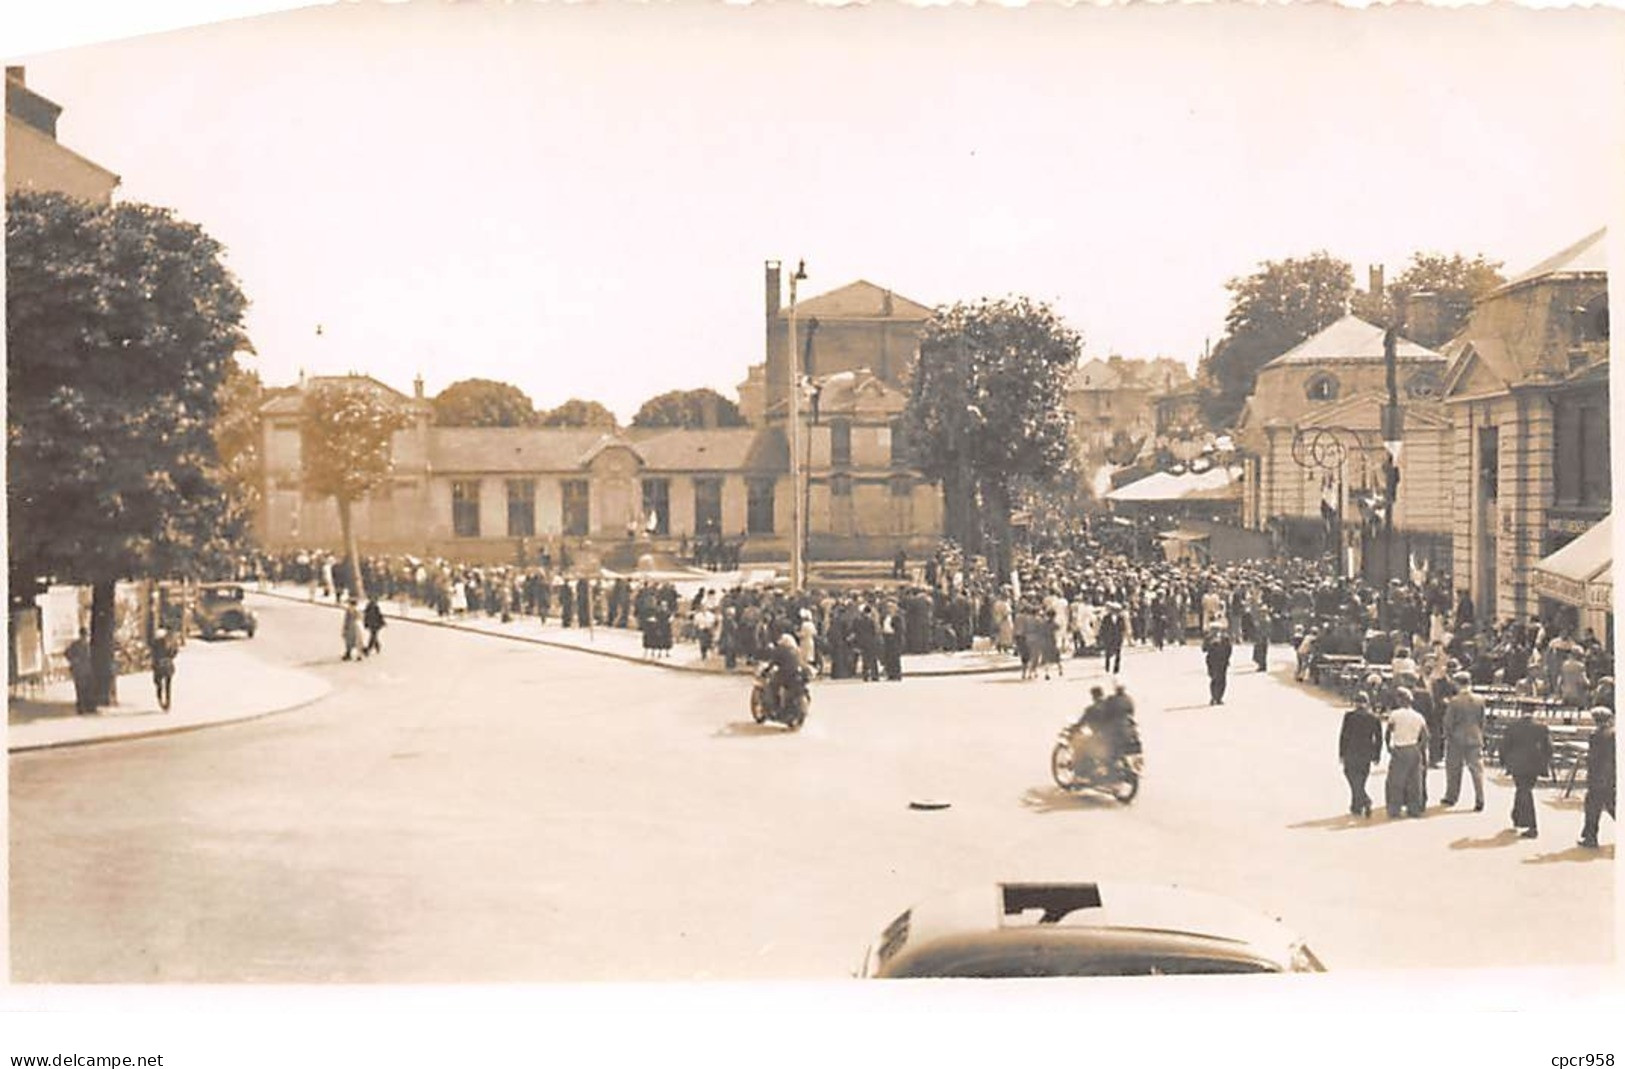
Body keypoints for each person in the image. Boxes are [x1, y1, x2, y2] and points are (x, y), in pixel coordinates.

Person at [1500, 710, 1553, 839]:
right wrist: (1544, 762)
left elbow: (1504, 747)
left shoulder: (1512, 727)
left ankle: (1532, 825)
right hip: (1534, 764)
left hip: (1517, 763)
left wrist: (1504, 762)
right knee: (1524, 790)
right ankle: (1517, 816)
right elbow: (1549, 748)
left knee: (1523, 791)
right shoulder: (1541, 727)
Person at [1439, 670, 1486, 811]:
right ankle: (1480, 798)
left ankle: (1452, 796)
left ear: (1457, 684)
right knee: (1477, 770)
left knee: (1454, 769)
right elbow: (1482, 719)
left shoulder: (1455, 701)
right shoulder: (1480, 699)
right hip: (1475, 736)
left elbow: (1448, 722)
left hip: (1456, 738)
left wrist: (1446, 735)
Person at [1384, 687, 1429, 818]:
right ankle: (1414, 808)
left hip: (1399, 748)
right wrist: (1419, 747)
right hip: (1413, 748)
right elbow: (1425, 735)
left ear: (1399, 700)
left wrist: (1388, 746)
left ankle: (1394, 808)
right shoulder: (1418, 716)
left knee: (1396, 781)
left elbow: (1388, 732)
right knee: (1415, 781)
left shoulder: (1395, 714)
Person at [1338, 691, 1382, 816]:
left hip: (1351, 752)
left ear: (1356, 703)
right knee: (1361, 779)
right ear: (1367, 703)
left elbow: (1344, 735)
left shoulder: (1349, 716)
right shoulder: (1373, 718)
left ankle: (1362, 801)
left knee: (1351, 776)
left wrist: (1341, 753)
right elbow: (1378, 738)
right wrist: (1377, 755)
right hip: (1366, 753)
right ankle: (1358, 804)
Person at [1578, 707, 1614, 849]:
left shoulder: (1595, 735)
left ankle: (1590, 837)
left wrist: (1586, 759)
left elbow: (1594, 757)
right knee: (1611, 805)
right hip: (1610, 774)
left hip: (1597, 775)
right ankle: (1589, 836)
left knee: (1593, 807)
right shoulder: (1614, 733)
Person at [762, 633, 807, 714]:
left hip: (785, 674)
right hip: (797, 674)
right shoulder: (797, 650)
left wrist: (766, 670)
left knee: (772, 685)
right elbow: (802, 663)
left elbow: (773, 662)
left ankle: (774, 707)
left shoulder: (780, 650)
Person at [65, 627, 95, 715]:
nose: (85, 637)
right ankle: (81, 708)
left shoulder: (88, 645)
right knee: (80, 690)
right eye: (84, 635)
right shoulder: (75, 645)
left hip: (87, 670)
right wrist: (74, 660)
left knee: (87, 689)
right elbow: (67, 653)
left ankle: (88, 707)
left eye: (86, 635)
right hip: (78, 671)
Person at [1203, 623, 1233, 705]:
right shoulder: (1208, 638)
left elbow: (1229, 649)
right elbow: (1204, 649)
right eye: (1213, 629)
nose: (1215, 631)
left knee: (1222, 680)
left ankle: (1219, 697)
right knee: (1214, 679)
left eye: (1216, 629)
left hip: (1222, 661)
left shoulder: (1225, 638)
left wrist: (1227, 658)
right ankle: (1213, 697)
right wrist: (1210, 643)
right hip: (1212, 661)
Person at [150, 628, 178, 711]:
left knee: (162, 685)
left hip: (162, 666)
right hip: (165, 665)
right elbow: (174, 652)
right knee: (164, 685)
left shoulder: (157, 643)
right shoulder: (167, 642)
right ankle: (165, 701)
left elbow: (174, 652)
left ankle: (164, 701)